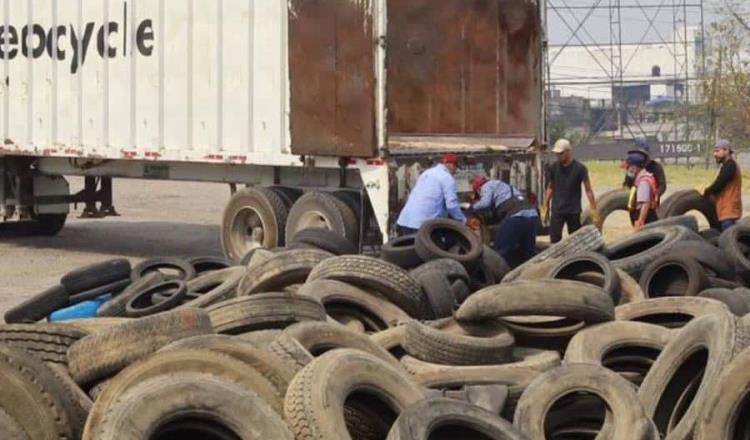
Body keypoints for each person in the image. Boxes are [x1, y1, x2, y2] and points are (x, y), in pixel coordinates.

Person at [470, 176, 538, 268]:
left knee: (501, 250)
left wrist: (471, 207)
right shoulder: (505, 186)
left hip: (516, 216)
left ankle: (498, 277)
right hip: (532, 215)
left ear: (478, 189)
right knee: (528, 252)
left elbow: (485, 204)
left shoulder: (486, 186)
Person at [544, 139, 598, 243]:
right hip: (557, 210)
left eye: (561, 153)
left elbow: (588, 190)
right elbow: (551, 187)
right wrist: (545, 204)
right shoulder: (553, 167)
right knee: (554, 239)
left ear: (568, 151)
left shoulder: (580, 168)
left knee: (575, 240)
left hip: (573, 211)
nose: (558, 156)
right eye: (557, 154)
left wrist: (594, 208)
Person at [396, 153, 466, 235]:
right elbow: (452, 205)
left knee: (410, 247)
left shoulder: (427, 173)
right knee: (437, 246)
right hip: (423, 224)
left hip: (405, 220)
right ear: (452, 165)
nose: (455, 171)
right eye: (456, 167)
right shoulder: (447, 178)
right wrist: (463, 220)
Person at [703, 139, 742, 231]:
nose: (715, 154)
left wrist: (707, 191)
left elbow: (720, 183)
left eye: (717, 151)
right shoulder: (727, 165)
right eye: (714, 151)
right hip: (725, 210)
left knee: (728, 240)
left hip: (729, 211)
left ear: (727, 150)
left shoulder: (730, 165)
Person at [625, 152, 660, 231]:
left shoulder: (643, 182)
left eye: (628, 167)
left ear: (634, 167)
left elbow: (645, 204)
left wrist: (640, 222)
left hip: (647, 218)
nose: (628, 170)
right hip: (647, 216)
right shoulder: (643, 178)